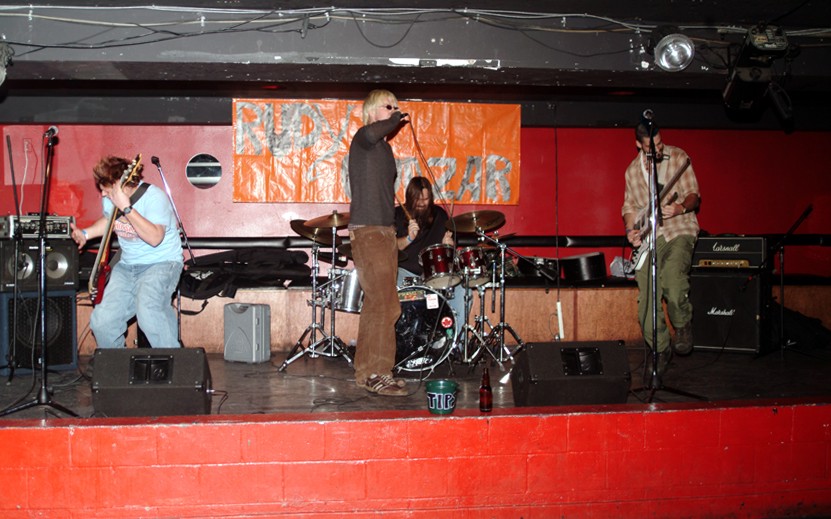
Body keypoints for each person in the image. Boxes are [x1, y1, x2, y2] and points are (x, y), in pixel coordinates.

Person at [70, 155, 184, 349]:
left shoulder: (154, 197)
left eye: (107, 190)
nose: (103, 195)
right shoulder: (111, 200)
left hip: (162, 263)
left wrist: (126, 208)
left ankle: (174, 363)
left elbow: (155, 238)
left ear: (120, 185)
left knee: (149, 312)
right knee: (102, 322)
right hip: (127, 266)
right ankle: (117, 363)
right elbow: (109, 221)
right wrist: (85, 234)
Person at [622, 118, 700, 377]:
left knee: (673, 281)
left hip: (679, 230)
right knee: (646, 302)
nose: (657, 149)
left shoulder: (677, 157)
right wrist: (631, 231)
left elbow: (693, 194)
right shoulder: (632, 172)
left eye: (659, 143)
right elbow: (629, 208)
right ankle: (661, 349)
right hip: (650, 239)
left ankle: (683, 323)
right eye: (650, 146)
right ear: (639, 145)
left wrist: (681, 207)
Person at [347, 89, 409, 396]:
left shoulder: (384, 149)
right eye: (388, 106)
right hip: (369, 231)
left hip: (384, 232)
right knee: (386, 305)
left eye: (397, 106)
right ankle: (378, 372)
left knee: (378, 304)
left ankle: (369, 372)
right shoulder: (364, 138)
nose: (395, 110)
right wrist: (396, 119)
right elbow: (374, 132)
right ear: (372, 111)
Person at [394, 176, 464, 320]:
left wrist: (448, 245)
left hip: (432, 274)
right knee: (391, 289)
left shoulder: (440, 214)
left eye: (425, 199)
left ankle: (456, 333)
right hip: (403, 273)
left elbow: (450, 251)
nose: (421, 203)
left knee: (460, 290)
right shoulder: (397, 215)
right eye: (417, 199)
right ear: (409, 197)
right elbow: (390, 247)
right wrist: (409, 238)